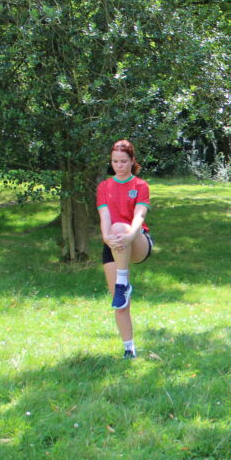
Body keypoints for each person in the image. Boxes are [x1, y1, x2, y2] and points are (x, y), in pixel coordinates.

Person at [97, 139, 153, 359]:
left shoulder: (140, 185)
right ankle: (129, 348)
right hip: (114, 243)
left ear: (132, 161)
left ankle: (123, 282)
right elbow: (104, 216)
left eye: (123, 161)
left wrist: (129, 235)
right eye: (115, 161)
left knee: (120, 227)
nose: (119, 165)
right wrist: (106, 238)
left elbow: (140, 215)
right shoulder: (104, 187)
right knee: (120, 304)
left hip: (136, 239)